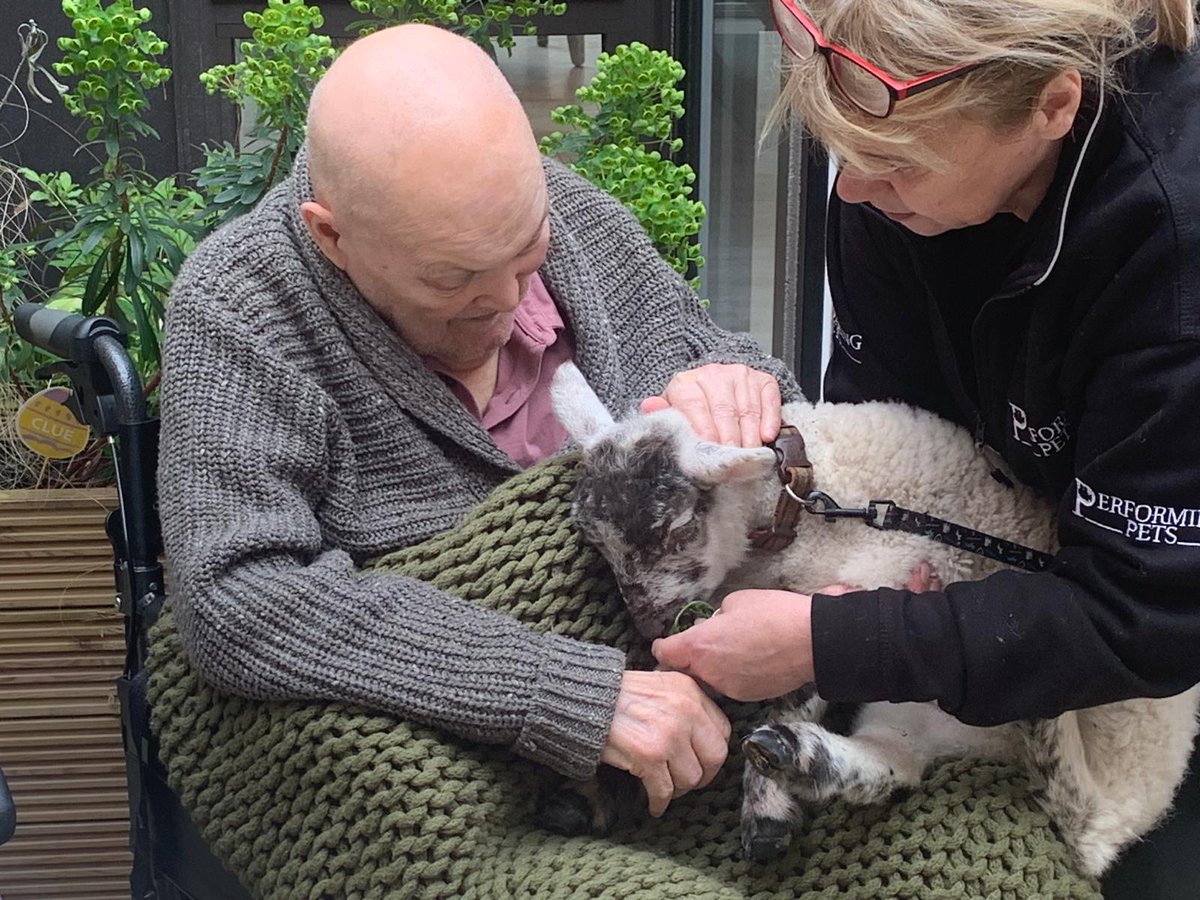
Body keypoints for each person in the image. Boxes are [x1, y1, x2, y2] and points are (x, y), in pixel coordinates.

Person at [157, 24, 800, 820]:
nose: (505, 299)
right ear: (333, 236)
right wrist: (560, 693)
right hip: (460, 776)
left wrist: (737, 392)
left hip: (705, 717)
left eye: (528, 256)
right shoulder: (242, 312)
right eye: (452, 279)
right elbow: (239, 600)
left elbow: (742, 374)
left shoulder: (580, 224)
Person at [653, 0, 1200, 886]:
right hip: (1028, 595)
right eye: (845, 152)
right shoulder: (892, 181)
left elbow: (1150, 615)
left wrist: (841, 639)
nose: (856, 190)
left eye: (896, 164)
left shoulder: (1173, 250)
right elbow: (888, 430)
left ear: (1053, 106)